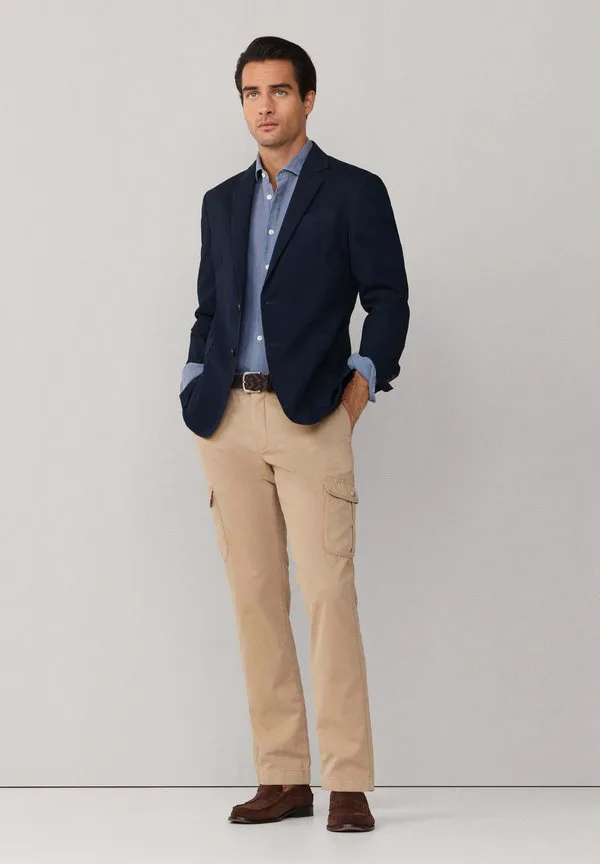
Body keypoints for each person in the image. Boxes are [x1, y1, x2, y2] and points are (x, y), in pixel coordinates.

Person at [179, 35, 410, 833]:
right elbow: (210, 308)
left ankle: (348, 780)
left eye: (279, 90)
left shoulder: (354, 192)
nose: (265, 106)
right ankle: (281, 775)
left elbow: (389, 298)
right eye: (252, 92)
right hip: (227, 420)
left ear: (308, 99)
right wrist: (193, 379)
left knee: (328, 594)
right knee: (255, 598)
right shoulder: (221, 202)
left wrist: (361, 386)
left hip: (312, 416)